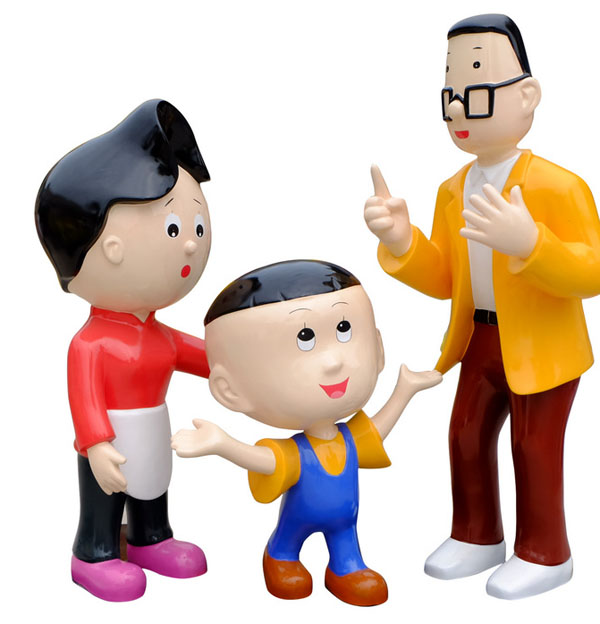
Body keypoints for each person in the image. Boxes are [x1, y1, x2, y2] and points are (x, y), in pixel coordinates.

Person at [364, 14, 600, 599]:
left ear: (527, 96)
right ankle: (476, 535)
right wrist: (403, 242)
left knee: (532, 447)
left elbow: (593, 271)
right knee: (464, 435)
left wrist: (532, 244)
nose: (458, 111)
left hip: (543, 349)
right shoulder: (453, 190)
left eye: (475, 94)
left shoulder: (558, 186)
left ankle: (545, 552)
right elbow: (448, 276)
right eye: (449, 97)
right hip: (480, 339)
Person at [171, 260, 441, 606]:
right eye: (305, 338)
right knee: (288, 540)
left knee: (346, 541)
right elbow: (264, 460)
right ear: (230, 390)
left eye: (344, 329)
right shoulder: (297, 452)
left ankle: (347, 566)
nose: (333, 362)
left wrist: (404, 390)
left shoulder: (349, 439)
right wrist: (222, 444)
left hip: (346, 522)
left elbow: (377, 430)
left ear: (378, 347)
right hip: (296, 521)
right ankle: (280, 555)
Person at [35, 99, 213, 601]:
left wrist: (242, 361)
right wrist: (96, 443)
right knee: (105, 499)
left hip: (152, 432)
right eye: (174, 229)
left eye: (196, 228)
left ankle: (150, 538)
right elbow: (85, 400)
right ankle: (93, 553)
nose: (190, 244)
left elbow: (207, 358)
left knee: (153, 487)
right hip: (108, 443)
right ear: (109, 248)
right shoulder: (90, 343)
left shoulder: (161, 335)